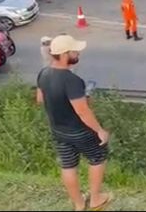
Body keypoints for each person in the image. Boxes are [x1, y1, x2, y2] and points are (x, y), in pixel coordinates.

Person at [36, 35, 112, 211]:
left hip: (58, 130)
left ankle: (78, 204)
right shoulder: (72, 81)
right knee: (97, 158)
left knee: (68, 165)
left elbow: (40, 99)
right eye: (74, 51)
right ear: (64, 54)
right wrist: (100, 130)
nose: (78, 53)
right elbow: (82, 111)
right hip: (79, 130)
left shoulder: (43, 73)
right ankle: (95, 199)